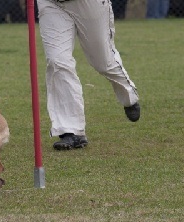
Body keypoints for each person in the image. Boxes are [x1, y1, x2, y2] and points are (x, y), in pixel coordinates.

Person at [37, 0, 140, 150]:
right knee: (57, 61)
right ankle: (72, 130)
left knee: (103, 62)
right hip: (52, 3)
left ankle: (128, 96)